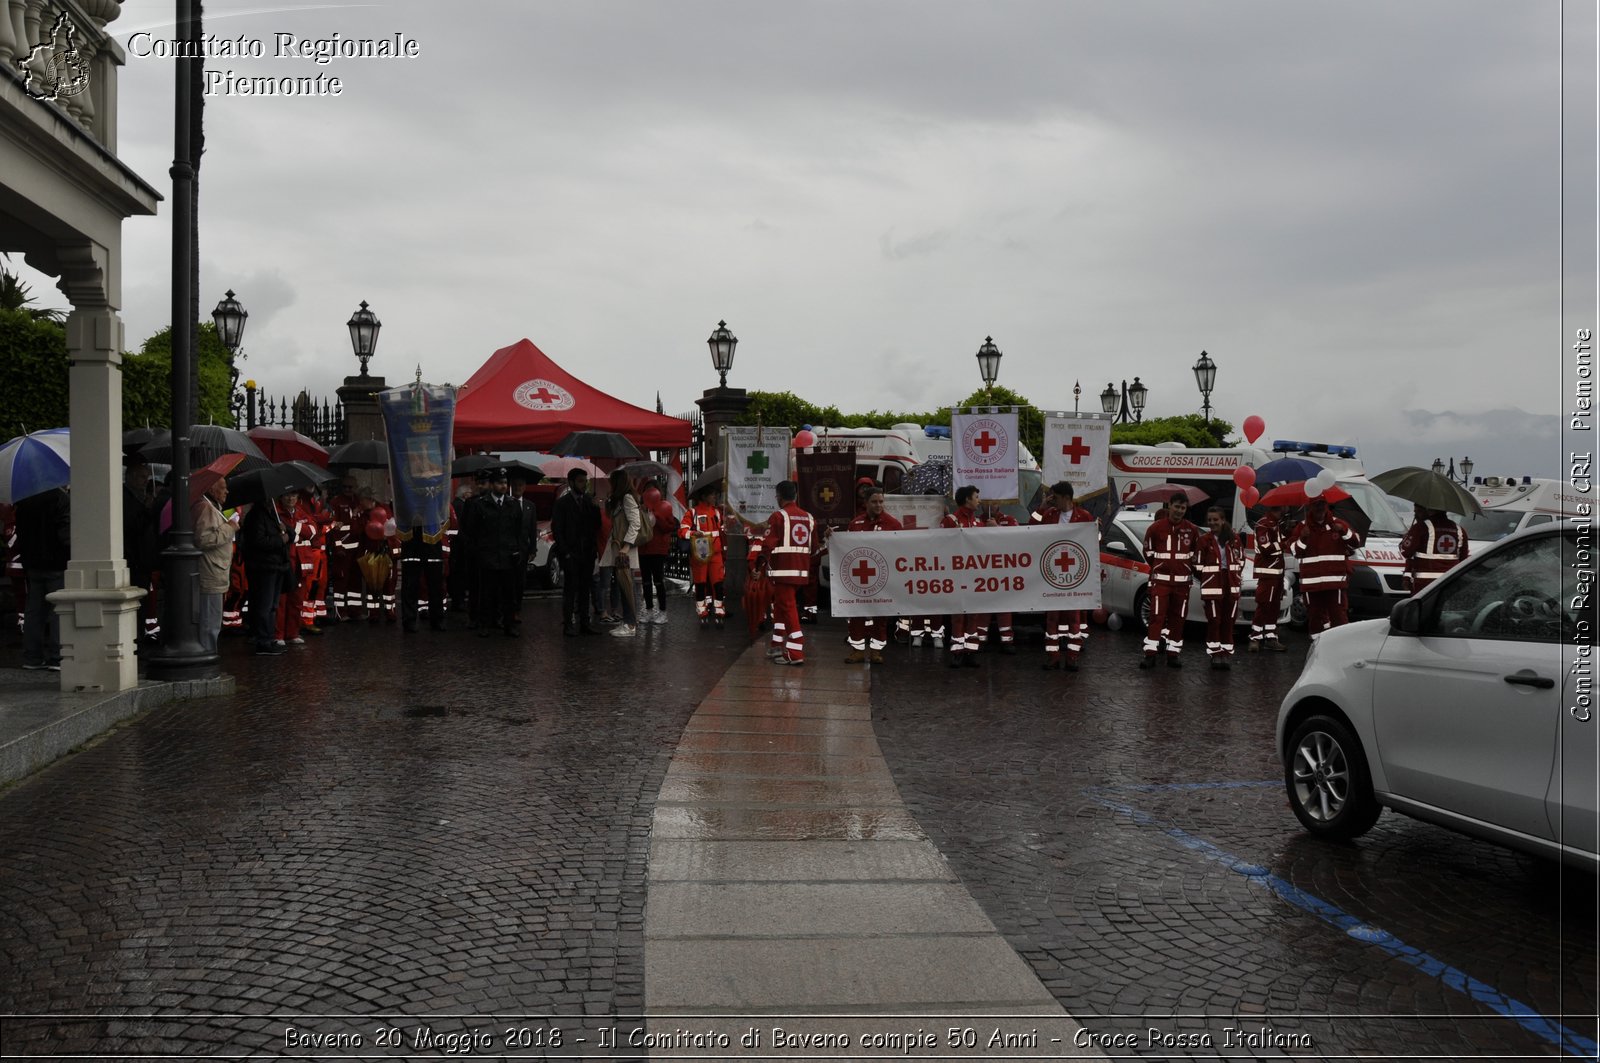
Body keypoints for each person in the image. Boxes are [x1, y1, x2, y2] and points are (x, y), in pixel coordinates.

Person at [1031, 481, 1099, 671]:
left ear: (1066, 498)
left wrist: (1097, 530)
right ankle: (1052, 657)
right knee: (1051, 618)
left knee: (1074, 618)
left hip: (1075, 576)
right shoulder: (1049, 514)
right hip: (1052, 574)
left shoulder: (1084, 516)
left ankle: (1072, 658)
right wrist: (1042, 507)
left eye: (1055, 497)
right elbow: (1030, 529)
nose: (1053, 501)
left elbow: (1094, 544)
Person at [1141, 492, 1202, 669]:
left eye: (1183, 508)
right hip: (1161, 582)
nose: (1179, 511)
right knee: (1156, 618)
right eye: (1177, 506)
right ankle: (1150, 654)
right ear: (1169, 506)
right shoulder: (1155, 528)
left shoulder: (1191, 529)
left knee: (1178, 619)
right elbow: (1149, 553)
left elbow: (1194, 554)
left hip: (1182, 584)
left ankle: (1173, 654)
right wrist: (1162, 567)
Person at [1286, 495, 1362, 637]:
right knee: (1315, 620)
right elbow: (1295, 551)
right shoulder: (1302, 528)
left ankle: (1342, 650)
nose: (1319, 507)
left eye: (1322, 504)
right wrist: (1303, 538)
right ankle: (1316, 648)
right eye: (1316, 504)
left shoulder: (1338, 524)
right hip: (1312, 585)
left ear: (1326, 505)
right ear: (1310, 506)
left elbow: (1356, 543)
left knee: (1339, 619)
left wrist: (1343, 531)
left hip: (1335, 584)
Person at [464, 468, 527, 636]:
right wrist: (478, 552)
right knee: (487, 593)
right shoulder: (480, 505)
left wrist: (518, 550)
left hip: (508, 557)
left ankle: (509, 624)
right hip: (488, 556)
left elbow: (519, 531)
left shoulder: (512, 505)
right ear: (492, 485)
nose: (503, 486)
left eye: (505, 483)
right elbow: (472, 531)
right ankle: (485, 624)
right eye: (500, 483)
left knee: (509, 594)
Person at [844, 487, 902, 664]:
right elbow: (844, 548)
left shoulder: (893, 524)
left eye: (881, 501)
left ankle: (876, 651)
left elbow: (901, 550)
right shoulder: (855, 524)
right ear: (866, 503)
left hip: (883, 579)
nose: (879, 505)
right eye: (875, 502)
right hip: (859, 579)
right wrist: (832, 537)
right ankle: (857, 651)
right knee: (856, 614)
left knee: (880, 615)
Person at [761, 479, 816, 665]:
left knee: (788, 607)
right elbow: (815, 547)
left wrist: (759, 565)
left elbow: (768, 544)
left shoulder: (778, 517)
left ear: (779, 496)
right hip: (801, 571)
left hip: (783, 571)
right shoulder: (809, 518)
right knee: (781, 607)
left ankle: (795, 651)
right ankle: (777, 644)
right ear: (796, 495)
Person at [14, 485, 69, 670]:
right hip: (56, 562)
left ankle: (32, 657)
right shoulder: (60, 499)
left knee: (34, 612)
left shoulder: (24, 499)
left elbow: (21, 532)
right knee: (58, 610)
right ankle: (57, 656)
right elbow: (65, 533)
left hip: (33, 563)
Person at [239, 490, 293, 655]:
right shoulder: (256, 516)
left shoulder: (272, 515)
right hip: (264, 568)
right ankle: (263, 640)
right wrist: (280, 539)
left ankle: (269, 638)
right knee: (264, 605)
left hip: (276, 566)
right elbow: (259, 542)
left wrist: (286, 532)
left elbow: (291, 533)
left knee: (272, 606)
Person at [940, 485, 986, 668]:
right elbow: (941, 546)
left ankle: (971, 652)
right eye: (976, 497)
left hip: (974, 577)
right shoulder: (950, 521)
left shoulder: (979, 524)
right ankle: (957, 652)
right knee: (958, 615)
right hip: (957, 576)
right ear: (967, 499)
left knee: (973, 616)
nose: (979, 500)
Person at [551, 468, 601, 635]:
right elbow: (557, 529)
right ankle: (568, 624)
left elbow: (596, 526)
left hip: (587, 553)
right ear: (571, 482)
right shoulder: (562, 503)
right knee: (570, 589)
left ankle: (585, 623)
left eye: (585, 481)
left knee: (585, 589)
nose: (584, 484)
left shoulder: (588, 501)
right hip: (571, 553)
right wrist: (565, 552)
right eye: (580, 481)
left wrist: (595, 508)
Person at [1195, 506, 1246, 668]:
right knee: (1214, 621)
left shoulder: (1234, 539)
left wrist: (1235, 575)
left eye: (1215, 519)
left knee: (1229, 621)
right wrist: (1208, 577)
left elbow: (1242, 560)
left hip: (1231, 585)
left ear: (1223, 520)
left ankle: (1226, 654)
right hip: (1212, 586)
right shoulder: (1203, 540)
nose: (1212, 523)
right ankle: (1215, 654)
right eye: (1209, 520)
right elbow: (1196, 565)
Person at [192, 476, 237, 655]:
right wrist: (230, 527)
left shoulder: (211, 507)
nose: (227, 491)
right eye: (223, 487)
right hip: (210, 572)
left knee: (211, 621)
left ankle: (208, 655)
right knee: (210, 622)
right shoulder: (205, 508)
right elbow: (204, 539)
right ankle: (207, 658)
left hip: (214, 571)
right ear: (212, 490)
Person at [122, 460, 164, 642]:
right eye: (141, 477)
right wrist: (147, 510)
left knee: (144, 601)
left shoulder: (142, 496)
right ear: (129, 476)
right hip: (134, 558)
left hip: (144, 559)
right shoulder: (126, 498)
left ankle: (141, 635)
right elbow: (132, 526)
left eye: (147, 477)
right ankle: (136, 638)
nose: (145, 481)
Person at [680, 484, 728, 628]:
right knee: (700, 584)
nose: (715, 497)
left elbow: (722, 531)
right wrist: (694, 533)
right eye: (712, 494)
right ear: (704, 496)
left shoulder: (717, 512)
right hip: (700, 552)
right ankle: (702, 612)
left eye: (715, 494)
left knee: (718, 584)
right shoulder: (692, 512)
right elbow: (682, 531)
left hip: (717, 554)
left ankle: (719, 611)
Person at [602, 468, 643, 637]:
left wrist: (626, 546)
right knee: (623, 584)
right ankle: (627, 621)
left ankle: (630, 624)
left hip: (624, 550)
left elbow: (635, 523)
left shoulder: (627, 498)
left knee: (626, 585)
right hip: (620, 548)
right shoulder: (620, 499)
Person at [978, 501, 1019, 655]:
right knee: (982, 606)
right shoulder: (976, 521)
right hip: (982, 571)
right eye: (985, 503)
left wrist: (997, 529)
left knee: (1004, 606)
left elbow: (1021, 536)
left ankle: (1007, 640)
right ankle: (980, 640)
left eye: (993, 503)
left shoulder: (1009, 520)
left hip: (1003, 571)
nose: (989, 506)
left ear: (999, 504)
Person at [1399, 506, 1468, 594]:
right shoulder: (1460, 530)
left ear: (1429, 509)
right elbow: (1464, 559)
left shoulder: (1421, 527)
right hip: (1451, 582)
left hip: (1425, 584)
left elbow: (1406, 552)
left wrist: (1406, 538)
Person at [1248, 503, 1288, 651]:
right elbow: (1265, 548)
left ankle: (1271, 636)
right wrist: (1284, 543)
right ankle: (1255, 637)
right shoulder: (1264, 524)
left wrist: (1288, 531)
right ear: (1281, 507)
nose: (1287, 509)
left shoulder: (1276, 524)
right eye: (1286, 506)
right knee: (1264, 605)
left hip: (1277, 573)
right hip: (1267, 573)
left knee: (1274, 606)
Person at [326, 475, 364, 620]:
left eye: (351, 487)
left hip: (357, 550)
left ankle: (355, 611)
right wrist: (338, 548)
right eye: (345, 487)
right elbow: (333, 528)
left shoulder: (358, 501)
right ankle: (340, 612)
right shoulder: (336, 502)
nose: (348, 490)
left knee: (355, 581)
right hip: (343, 551)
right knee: (341, 582)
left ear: (356, 487)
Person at [638, 483, 674, 624]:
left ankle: (663, 611)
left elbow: (669, 527)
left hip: (658, 550)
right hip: (644, 549)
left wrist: (657, 517)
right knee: (646, 582)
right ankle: (649, 610)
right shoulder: (641, 508)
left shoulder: (664, 508)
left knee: (658, 581)